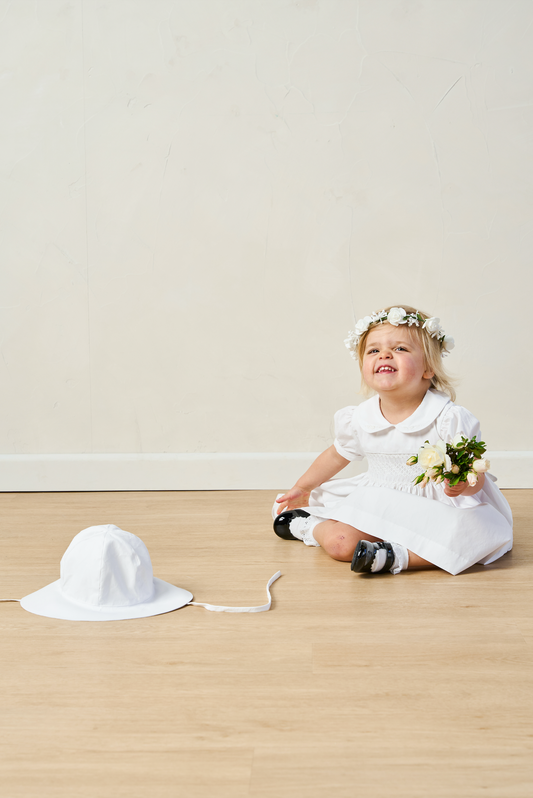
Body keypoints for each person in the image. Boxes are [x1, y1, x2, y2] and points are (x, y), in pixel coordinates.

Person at [273, 305, 513, 575]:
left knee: (477, 535)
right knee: (342, 544)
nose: (384, 354)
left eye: (400, 349)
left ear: (429, 368)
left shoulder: (448, 418)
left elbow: (474, 475)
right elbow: (336, 454)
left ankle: (397, 556)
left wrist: (461, 487)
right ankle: (306, 525)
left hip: (435, 508)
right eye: (373, 350)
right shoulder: (359, 418)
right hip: (377, 502)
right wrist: (303, 487)